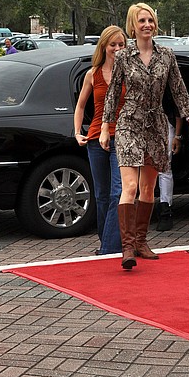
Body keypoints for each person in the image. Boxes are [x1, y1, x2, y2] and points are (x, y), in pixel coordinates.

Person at [101, 3, 189, 270]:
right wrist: (104, 126)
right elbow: (112, 94)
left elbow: (179, 91)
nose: (147, 25)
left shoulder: (167, 55)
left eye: (150, 20)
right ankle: (126, 248)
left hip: (156, 124)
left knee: (148, 188)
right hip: (129, 124)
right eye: (141, 21)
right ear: (132, 26)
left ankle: (141, 241)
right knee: (130, 187)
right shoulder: (123, 56)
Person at [73, 25, 126, 256]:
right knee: (101, 195)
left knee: (118, 192)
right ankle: (107, 241)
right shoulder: (92, 74)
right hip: (95, 138)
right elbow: (81, 105)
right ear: (103, 46)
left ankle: (109, 247)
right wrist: (77, 132)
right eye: (112, 44)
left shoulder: (129, 72)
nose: (116, 48)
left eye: (121, 44)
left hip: (123, 138)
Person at [155, 101, 181, 232]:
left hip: (165, 121)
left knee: (164, 167)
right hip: (141, 122)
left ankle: (165, 209)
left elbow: (177, 105)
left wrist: (177, 135)